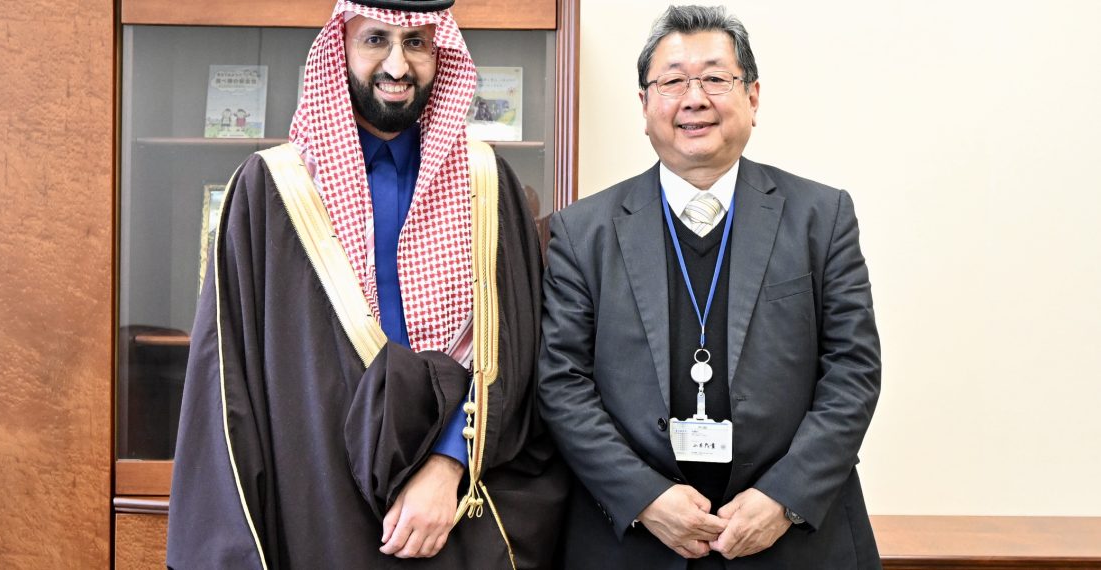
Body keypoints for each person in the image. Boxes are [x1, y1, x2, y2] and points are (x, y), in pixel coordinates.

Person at [166, 0, 567, 567]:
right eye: (375, 39)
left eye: (417, 43)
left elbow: (515, 350)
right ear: (341, 48)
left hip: (456, 504)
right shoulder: (271, 190)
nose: (398, 67)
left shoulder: (487, 182)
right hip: (318, 503)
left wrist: (447, 463)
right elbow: (228, 382)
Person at [538, 4, 881, 568]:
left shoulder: (822, 218)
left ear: (753, 97)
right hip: (634, 543)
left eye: (716, 79)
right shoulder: (582, 232)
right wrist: (645, 497)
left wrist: (783, 498)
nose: (694, 99)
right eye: (672, 81)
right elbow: (561, 382)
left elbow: (853, 369)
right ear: (644, 105)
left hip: (795, 541)